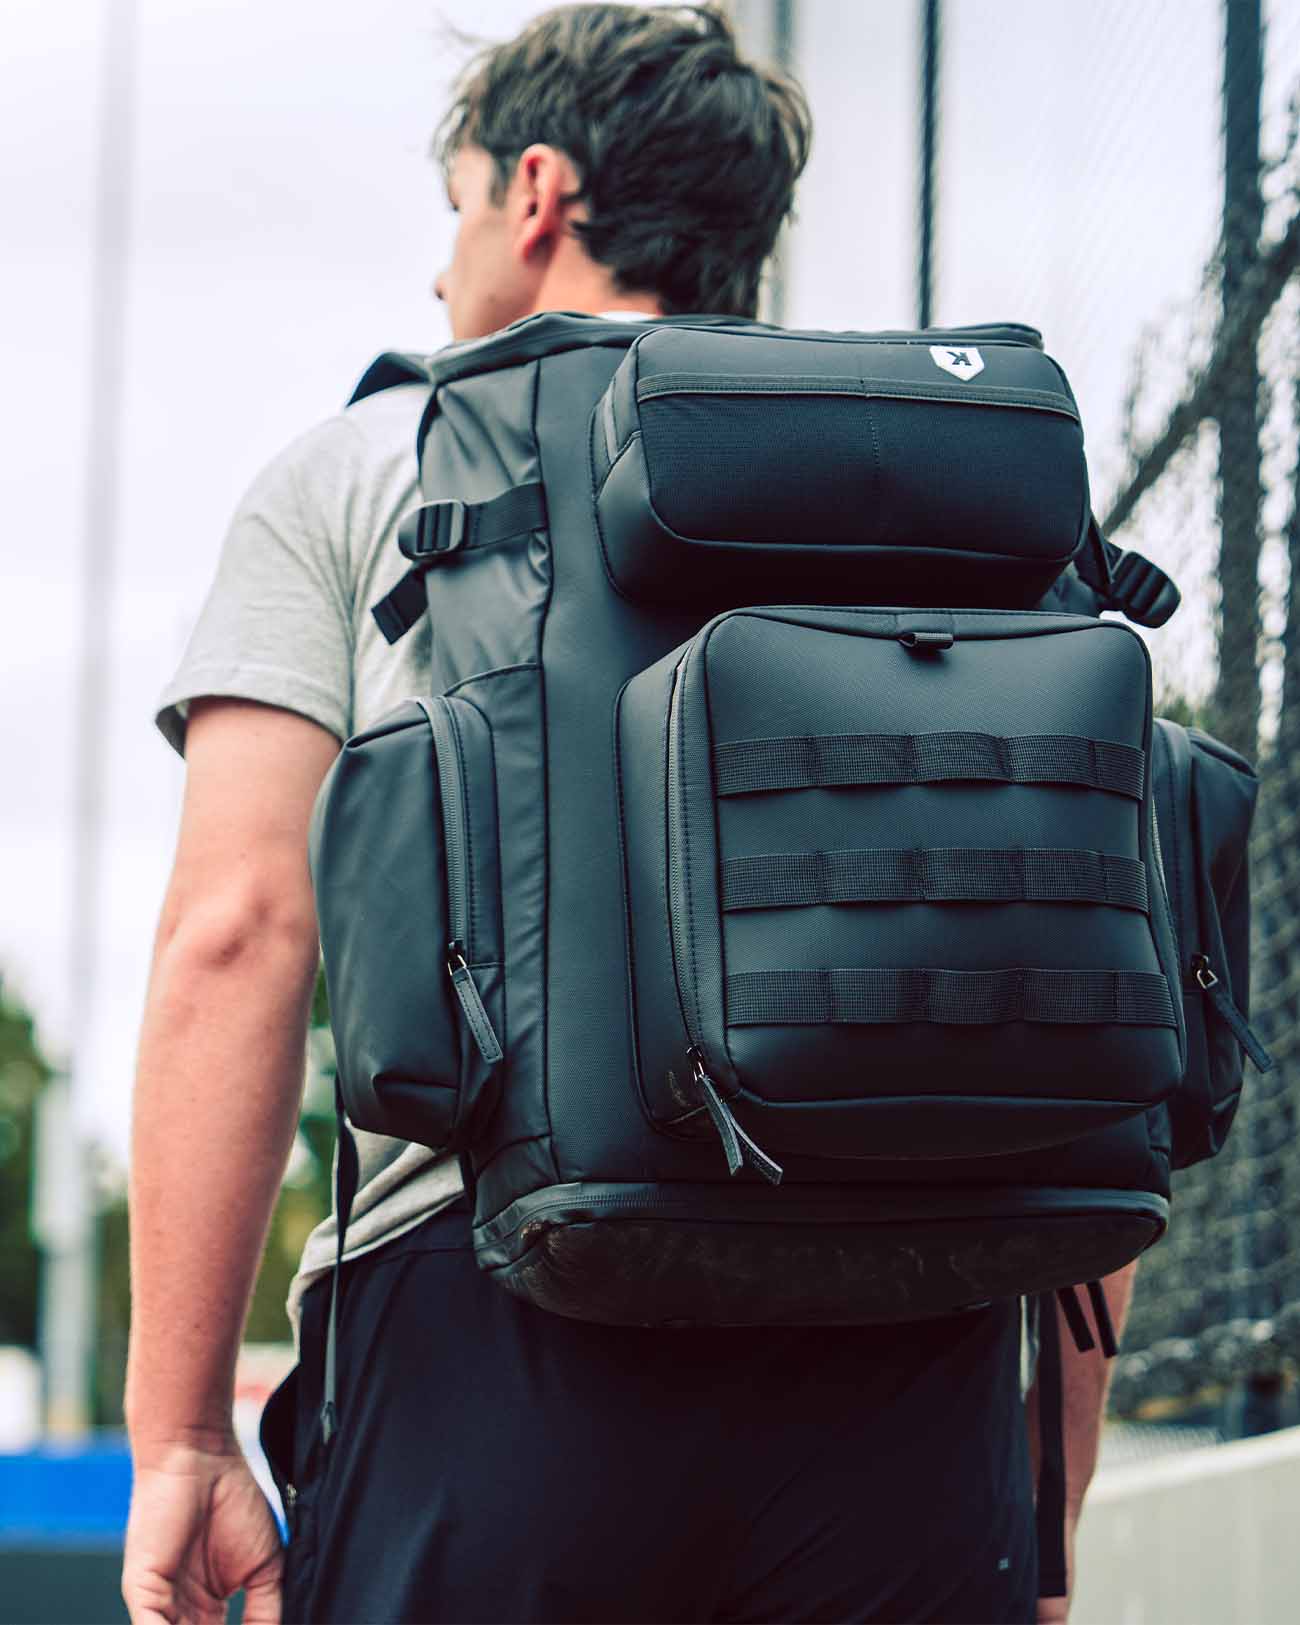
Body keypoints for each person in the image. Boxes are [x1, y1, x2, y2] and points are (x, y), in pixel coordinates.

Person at [120, 6, 1132, 1621]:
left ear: (534, 193)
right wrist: (1046, 1503)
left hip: (492, 1321)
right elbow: (1068, 984)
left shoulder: (376, 463)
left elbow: (238, 932)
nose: (445, 268)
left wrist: (176, 1436)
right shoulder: (942, 489)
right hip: (914, 1344)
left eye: (455, 208)